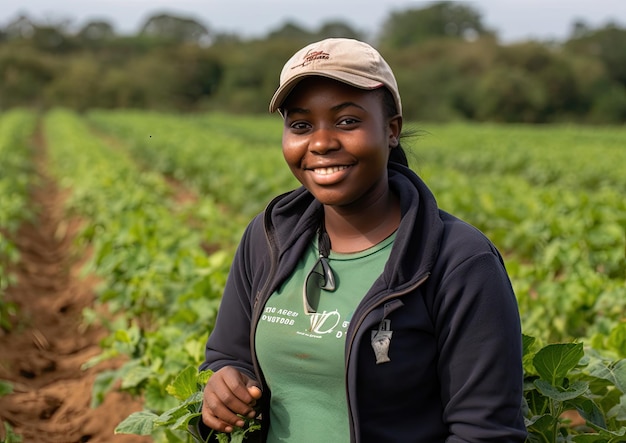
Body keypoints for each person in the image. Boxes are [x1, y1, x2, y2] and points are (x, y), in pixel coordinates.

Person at [198, 38, 527, 442]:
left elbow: (486, 433)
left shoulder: (459, 261)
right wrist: (222, 385)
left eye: (347, 121)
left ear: (391, 131)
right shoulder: (268, 238)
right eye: (301, 125)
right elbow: (227, 357)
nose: (320, 143)